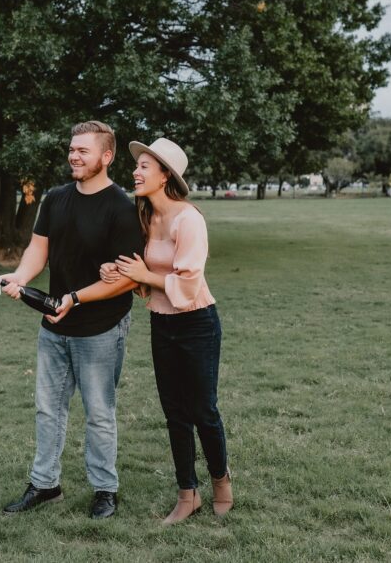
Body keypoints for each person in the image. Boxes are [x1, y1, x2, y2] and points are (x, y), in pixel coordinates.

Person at [0, 121, 144, 519]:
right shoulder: (55, 198)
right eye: (71, 149)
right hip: (54, 326)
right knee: (48, 410)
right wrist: (20, 277)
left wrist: (75, 299)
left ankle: (105, 490)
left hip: (101, 329)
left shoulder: (122, 209)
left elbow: (126, 280)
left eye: (83, 150)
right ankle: (45, 484)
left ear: (106, 157)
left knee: (99, 414)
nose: (74, 156)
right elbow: (38, 249)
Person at [101, 137, 233, 525]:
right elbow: (142, 275)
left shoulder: (188, 219)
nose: (135, 172)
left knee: (203, 410)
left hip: (197, 323)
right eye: (137, 166)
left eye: (144, 166)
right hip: (162, 323)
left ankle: (221, 482)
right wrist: (118, 271)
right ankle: (187, 495)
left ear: (164, 176)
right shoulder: (145, 218)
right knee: (174, 413)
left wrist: (144, 275)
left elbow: (188, 284)